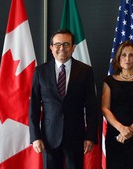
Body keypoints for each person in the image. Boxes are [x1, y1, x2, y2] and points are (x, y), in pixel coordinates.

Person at [29, 29, 98, 169]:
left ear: (73, 47)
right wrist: (35, 137)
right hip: (49, 137)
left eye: (66, 44)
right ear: (51, 48)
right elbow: (34, 107)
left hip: (76, 136)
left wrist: (90, 136)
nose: (62, 48)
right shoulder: (40, 71)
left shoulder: (85, 71)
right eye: (58, 44)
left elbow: (91, 106)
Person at [101, 40, 133, 169]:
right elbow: (105, 108)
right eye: (124, 55)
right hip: (116, 135)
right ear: (118, 58)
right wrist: (121, 129)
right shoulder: (109, 81)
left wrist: (129, 130)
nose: (127, 59)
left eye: (131, 55)